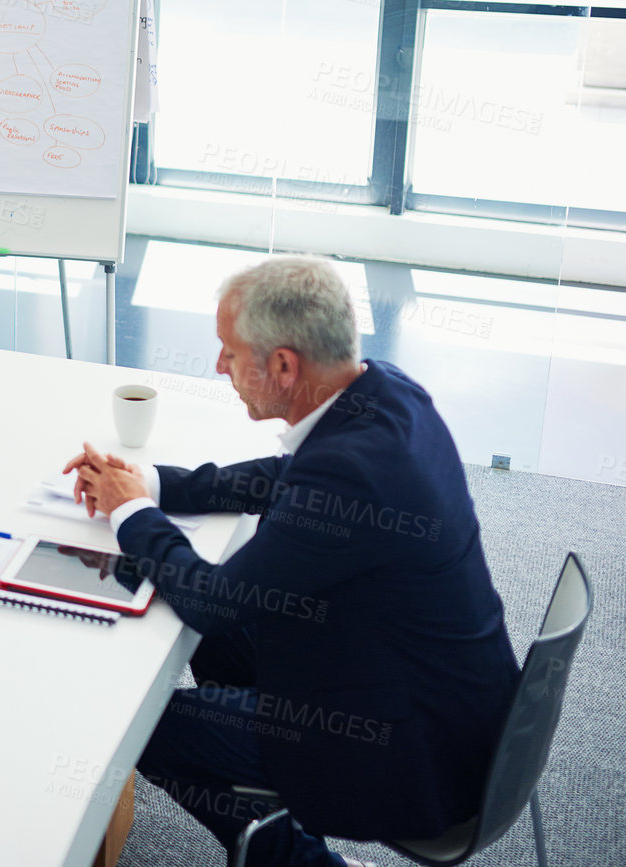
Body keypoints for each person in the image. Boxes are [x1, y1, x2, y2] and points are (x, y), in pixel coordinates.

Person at [64, 256, 519, 867]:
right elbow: (283, 477)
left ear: (282, 365)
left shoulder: (352, 475)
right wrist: (150, 483)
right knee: (192, 622)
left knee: (143, 724)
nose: (219, 365)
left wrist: (130, 513)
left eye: (229, 350)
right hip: (426, 693)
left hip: (412, 754)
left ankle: (297, 858)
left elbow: (213, 600)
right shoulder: (385, 391)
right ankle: (272, 831)